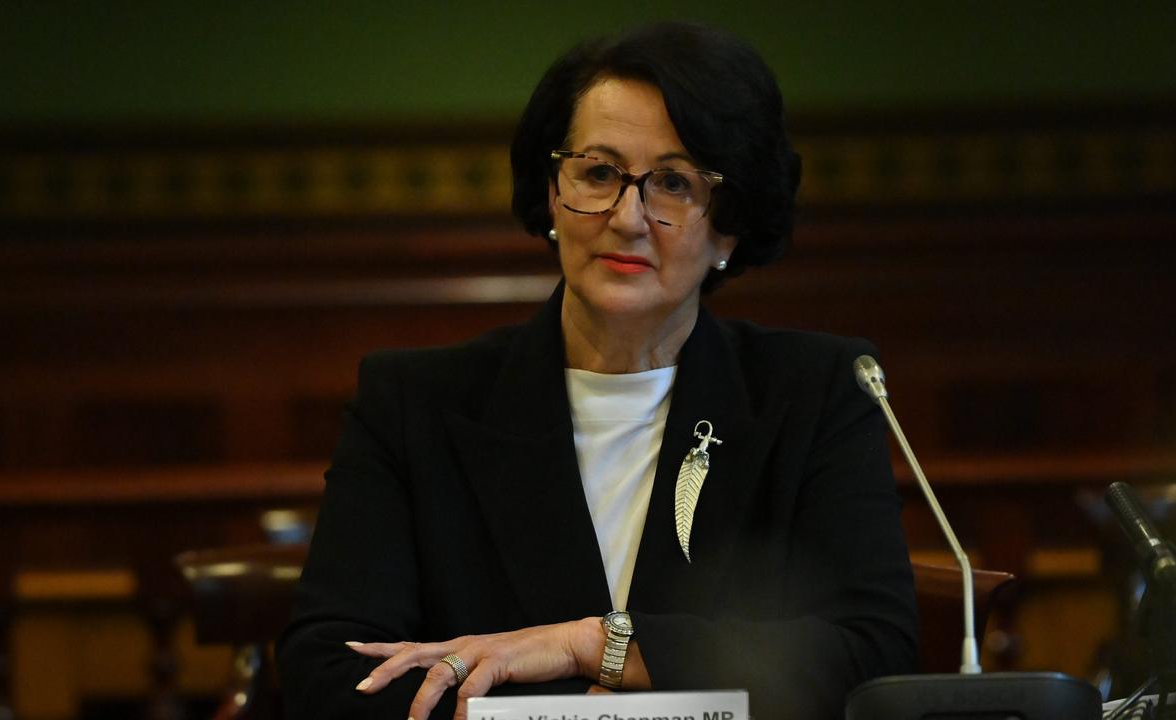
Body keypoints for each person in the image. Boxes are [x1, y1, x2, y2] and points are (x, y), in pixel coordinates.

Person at [278, 21, 917, 720]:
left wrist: (593, 645)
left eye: (672, 182)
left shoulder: (816, 393)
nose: (627, 217)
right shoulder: (413, 403)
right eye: (599, 173)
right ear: (553, 193)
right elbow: (329, 669)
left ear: (730, 223)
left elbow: (871, 655)